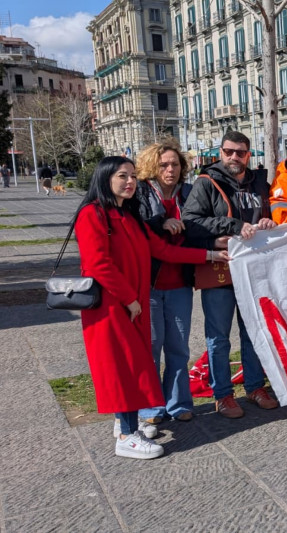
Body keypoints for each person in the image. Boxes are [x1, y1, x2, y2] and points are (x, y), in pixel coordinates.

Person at [75, 156, 227, 459]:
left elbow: (164, 251)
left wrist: (210, 256)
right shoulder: (92, 215)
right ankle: (128, 437)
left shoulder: (129, 217)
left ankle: (125, 425)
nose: (130, 182)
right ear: (105, 178)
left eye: (132, 176)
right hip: (111, 308)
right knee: (125, 369)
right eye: (122, 176)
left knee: (133, 367)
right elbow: (98, 264)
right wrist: (129, 298)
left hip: (133, 306)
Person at [182, 131, 280, 418]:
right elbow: (190, 222)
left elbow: (272, 214)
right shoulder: (206, 182)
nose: (234, 157)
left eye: (240, 152)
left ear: (249, 154)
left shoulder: (259, 182)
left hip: (253, 271)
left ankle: (254, 386)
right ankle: (222, 394)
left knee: (253, 333)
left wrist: (268, 220)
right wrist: (231, 227)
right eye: (229, 152)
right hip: (220, 271)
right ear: (220, 152)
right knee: (218, 337)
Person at [134, 142, 203, 433]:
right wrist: (163, 222)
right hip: (148, 284)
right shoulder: (140, 193)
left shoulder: (188, 193)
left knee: (178, 347)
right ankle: (150, 406)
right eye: (163, 165)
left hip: (179, 283)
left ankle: (179, 403)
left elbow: (199, 224)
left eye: (175, 164)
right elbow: (137, 228)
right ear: (152, 166)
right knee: (151, 348)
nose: (170, 169)